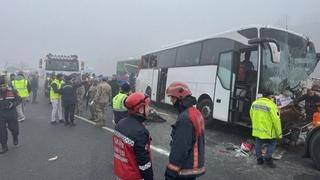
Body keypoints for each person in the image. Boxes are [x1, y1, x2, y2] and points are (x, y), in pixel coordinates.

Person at [165, 82, 205, 180]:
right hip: (192, 169)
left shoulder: (185, 118)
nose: (171, 101)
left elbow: (180, 148)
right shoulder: (195, 112)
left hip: (184, 170)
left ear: (180, 98)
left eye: (173, 98)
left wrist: (170, 172)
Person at [113, 92, 153, 180]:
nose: (149, 109)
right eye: (147, 106)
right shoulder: (140, 132)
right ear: (140, 109)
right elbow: (144, 164)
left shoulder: (120, 123)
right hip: (133, 176)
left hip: (119, 174)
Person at [250, 92, 282, 168]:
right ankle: (268, 158)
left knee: (258, 142)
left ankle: (259, 159)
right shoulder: (272, 105)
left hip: (257, 129)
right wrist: (279, 134)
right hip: (268, 131)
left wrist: (256, 124)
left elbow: (251, 115)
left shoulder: (254, 103)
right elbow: (276, 121)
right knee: (273, 142)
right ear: (270, 97)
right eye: (273, 97)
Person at [0, 75, 21, 154]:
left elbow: (19, 99)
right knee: (1, 131)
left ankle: (15, 137)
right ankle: (4, 146)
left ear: (7, 84)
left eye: (4, 85)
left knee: (14, 129)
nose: (3, 87)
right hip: (1, 114)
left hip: (11, 113)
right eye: (1, 86)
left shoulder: (13, 91)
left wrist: (14, 104)